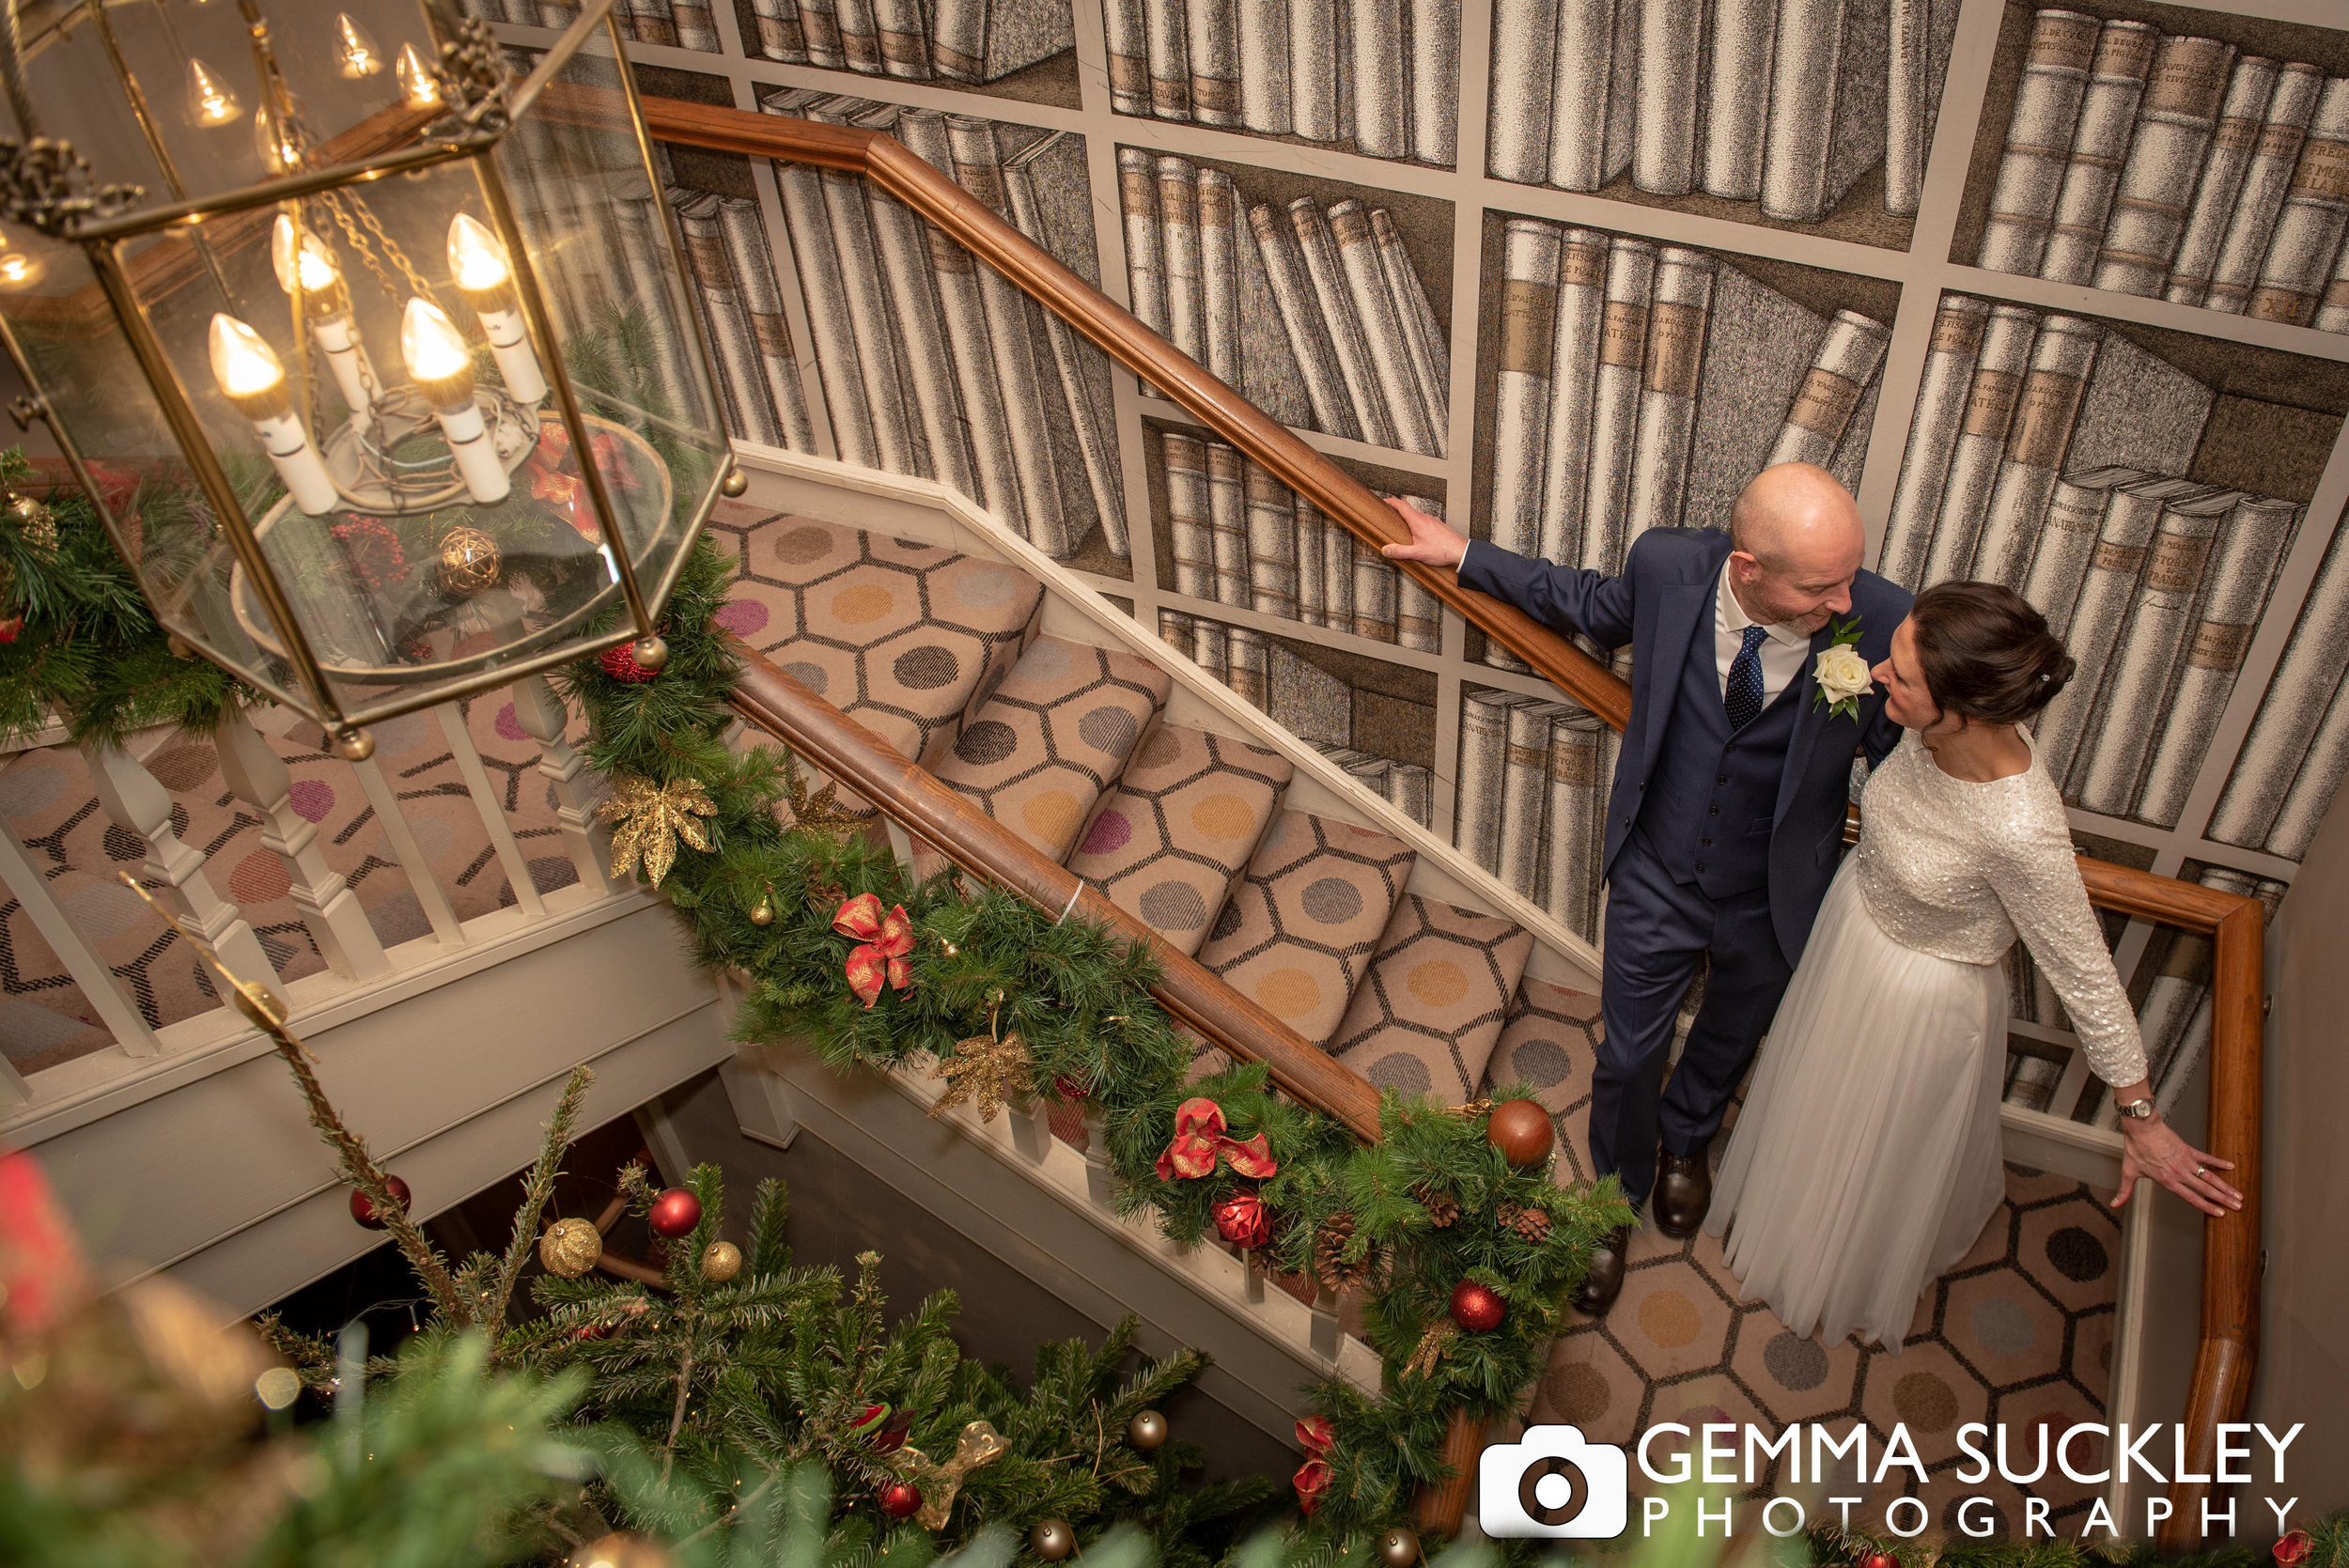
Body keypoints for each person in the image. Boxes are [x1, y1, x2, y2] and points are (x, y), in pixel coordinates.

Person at [1382, 462, 1911, 1314]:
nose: (1846, 602)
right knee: (1628, 1053)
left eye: (1852, 575)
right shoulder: (1669, 566)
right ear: (1748, 567)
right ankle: (1613, 1200)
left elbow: (1899, 758)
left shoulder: (1881, 618)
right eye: (1822, 585)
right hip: (1658, 868)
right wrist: (1464, 552)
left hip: (1777, 890)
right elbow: (1590, 604)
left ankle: (1688, 1140)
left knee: (1733, 1034)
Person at [1702, 581, 2242, 1350]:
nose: (1882, 676)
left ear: (1966, 708)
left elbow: (2085, 973)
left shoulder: (2021, 828)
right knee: (1815, 1104)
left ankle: (1841, 1261)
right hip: (1853, 936)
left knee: (1876, 1145)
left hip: (1922, 997)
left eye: (1904, 676)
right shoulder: (1933, 728)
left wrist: (2141, 1117)